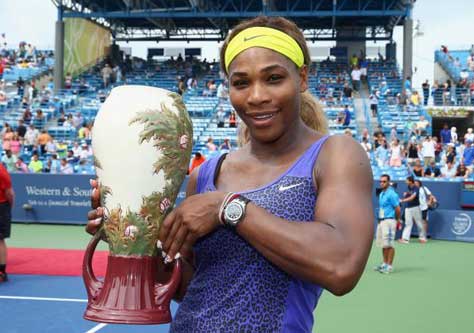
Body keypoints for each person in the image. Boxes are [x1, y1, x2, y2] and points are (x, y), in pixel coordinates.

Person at [86, 16, 374, 332]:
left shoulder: (336, 155)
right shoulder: (208, 172)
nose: (256, 96)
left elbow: (341, 265)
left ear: (302, 77)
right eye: (241, 83)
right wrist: (133, 239)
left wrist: (228, 208)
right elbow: (187, 287)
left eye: (274, 78)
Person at [374, 174, 401, 274]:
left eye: (384, 181)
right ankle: (384, 263)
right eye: (380, 181)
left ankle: (389, 266)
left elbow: (398, 208)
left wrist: (397, 220)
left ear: (389, 182)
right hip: (382, 221)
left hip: (390, 221)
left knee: (389, 244)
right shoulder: (381, 194)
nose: (382, 183)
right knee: (383, 244)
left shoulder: (392, 194)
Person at [399, 176, 426, 244]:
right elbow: (406, 194)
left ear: (410, 181)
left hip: (415, 207)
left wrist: (403, 200)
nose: (405, 182)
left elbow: (412, 197)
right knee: (408, 223)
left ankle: (422, 238)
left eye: (407, 180)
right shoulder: (408, 187)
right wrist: (406, 195)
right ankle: (405, 239)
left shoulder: (416, 188)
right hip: (408, 208)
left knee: (419, 223)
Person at [0, 163, 14, 282]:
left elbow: (9, 192)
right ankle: (2, 271)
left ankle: (1, 271)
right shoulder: (2, 170)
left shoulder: (1, 171)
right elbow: (10, 193)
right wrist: (10, 205)